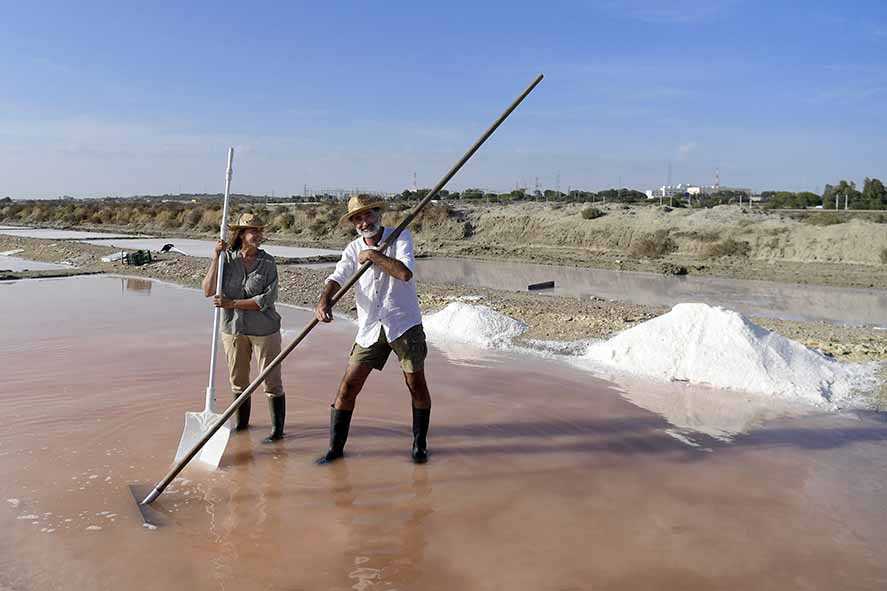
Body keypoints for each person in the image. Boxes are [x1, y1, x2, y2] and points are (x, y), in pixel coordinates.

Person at [314, 194, 431, 464]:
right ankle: (335, 449)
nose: (364, 222)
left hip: (403, 324)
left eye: (368, 215)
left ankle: (419, 444)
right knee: (348, 387)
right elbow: (337, 276)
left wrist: (375, 257)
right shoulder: (352, 249)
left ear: (378, 214)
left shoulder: (400, 237)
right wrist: (324, 300)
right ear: (353, 223)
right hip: (370, 327)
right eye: (357, 218)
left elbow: (404, 273)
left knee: (416, 385)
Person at [202, 212, 286, 443]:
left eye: (260, 231)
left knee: (271, 380)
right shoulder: (226, 259)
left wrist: (231, 303)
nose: (258, 235)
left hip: (265, 329)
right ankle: (242, 426)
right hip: (232, 329)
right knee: (238, 380)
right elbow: (208, 290)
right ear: (240, 234)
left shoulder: (268, 262)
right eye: (253, 231)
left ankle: (278, 431)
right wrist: (215, 258)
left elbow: (266, 300)